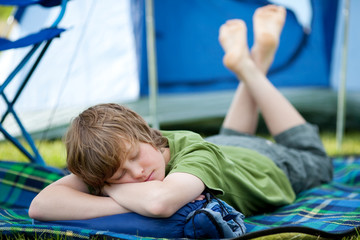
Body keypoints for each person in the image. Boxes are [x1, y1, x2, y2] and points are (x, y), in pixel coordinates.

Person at [29, 5, 333, 221]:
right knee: (229, 138)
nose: (136, 174)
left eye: (134, 157)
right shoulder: (111, 155)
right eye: (119, 175)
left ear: (146, 133)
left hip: (270, 164)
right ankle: (253, 62)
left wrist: (110, 190)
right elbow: (41, 206)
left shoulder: (194, 153)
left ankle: (251, 69)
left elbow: (161, 203)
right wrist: (121, 196)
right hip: (225, 147)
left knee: (316, 158)